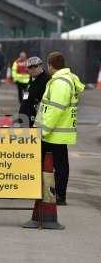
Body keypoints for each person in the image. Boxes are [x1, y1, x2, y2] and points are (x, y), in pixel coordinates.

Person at [34, 52, 85, 205]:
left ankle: (59, 196)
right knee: (59, 164)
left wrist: (43, 131)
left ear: (50, 65)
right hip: (57, 132)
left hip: (53, 132)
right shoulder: (63, 80)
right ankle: (54, 194)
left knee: (58, 165)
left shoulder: (60, 83)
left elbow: (55, 109)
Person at [18, 56, 50, 127]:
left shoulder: (47, 80)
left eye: (35, 66)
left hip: (37, 121)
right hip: (26, 121)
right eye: (30, 67)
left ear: (40, 66)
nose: (33, 69)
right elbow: (26, 98)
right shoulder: (31, 80)